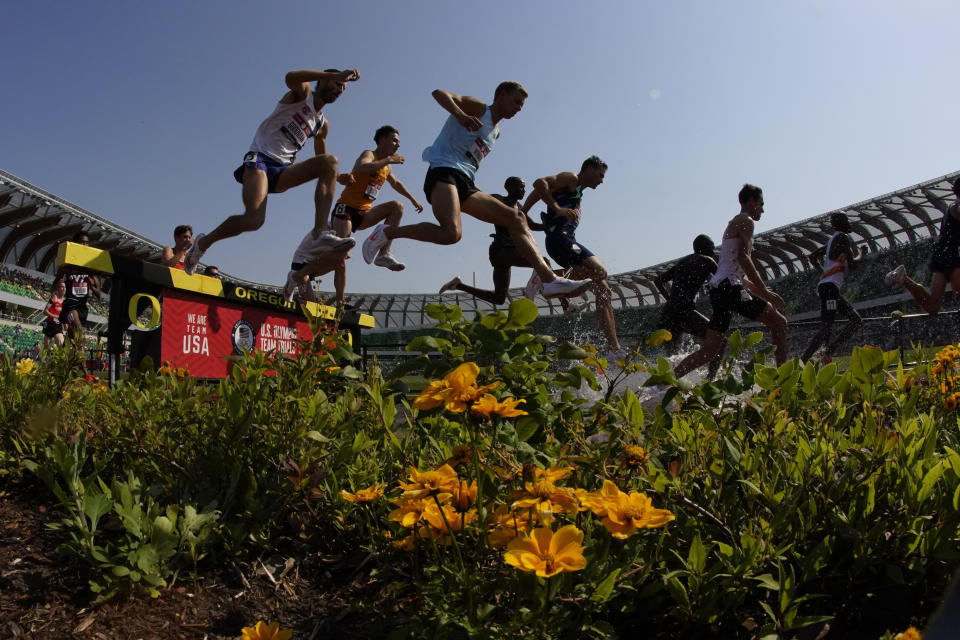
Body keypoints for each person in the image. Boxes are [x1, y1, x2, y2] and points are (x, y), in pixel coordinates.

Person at [361, 82, 590, 299]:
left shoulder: (496, 132)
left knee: (515, 217)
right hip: (442, 171)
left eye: (522, 105)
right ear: (501, 96)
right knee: (451, 232)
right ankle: (388, 233)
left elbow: (470, 161)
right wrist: (460, 115)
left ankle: (548, 279)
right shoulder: (480, 109)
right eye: (516, 101)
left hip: (466, 181)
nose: (519, 108)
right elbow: (439, 93)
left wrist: (479, 190)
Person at [184, 68, 360, 276]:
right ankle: (203, 243)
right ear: (322, 81)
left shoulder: (322, 124)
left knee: (331, 162)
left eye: (343, 88)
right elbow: (290, 77)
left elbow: (322, 158)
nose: (340, 89)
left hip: (283, 170)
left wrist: (338, 176)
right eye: (337, 84)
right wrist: (329, 75)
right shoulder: (302, 95)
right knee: (253, 220)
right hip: (261, 160)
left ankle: (320, 232)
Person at [286, 125, 423, 303]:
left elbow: (396, 183)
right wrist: (388, 159)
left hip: (363, 213)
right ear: (382, 140)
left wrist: (413, 199)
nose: (397, 145)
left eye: (399, 142)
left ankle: (383, 253)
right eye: (394, 140)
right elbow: (361, 166)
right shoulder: (370, 154)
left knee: (397, 207)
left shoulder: (386, 168)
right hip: (346, 210)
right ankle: (307, 281)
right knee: (339, 258)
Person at [673, 184, 788, 379]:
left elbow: (736, 272)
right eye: (761, 204)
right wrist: (766, 293)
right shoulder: (746, 221)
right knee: (780, 322)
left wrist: (762, 292)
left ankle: (664, 382)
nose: (763, 209)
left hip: (720, 289)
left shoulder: (733, 223)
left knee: (710, 350)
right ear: (751, 201)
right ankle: (783, 379)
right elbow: (744, 258)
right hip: (729, 287)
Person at [520, 156, 624, 355]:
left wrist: (525, 210)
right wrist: (555, 208)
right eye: (600, 175)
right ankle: (545, 277)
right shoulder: (571, 178)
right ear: (589, 169)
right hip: (562, 240)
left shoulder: (576, 193)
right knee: (600, 271)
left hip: (563, 240)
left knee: (604, 290)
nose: (602, 180)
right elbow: (539, 183)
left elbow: (540, 190)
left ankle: (614, 349)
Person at [437, 176, 548, 305]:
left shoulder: (519, 207)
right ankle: (561, 303)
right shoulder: (499, 200)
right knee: (543, 263)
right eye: (521, 186)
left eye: (524, 187)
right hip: (501, 250)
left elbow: (533, 225)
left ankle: (458, 285)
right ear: (509, 188)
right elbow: (479, 196)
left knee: (498, 298)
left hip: (511, 252)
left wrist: (550, 225)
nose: (524, 190)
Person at [885, 177, 960, 316]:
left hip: (942, 254)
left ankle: (904, 279)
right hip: (953, 255)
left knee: (932, 306)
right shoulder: (956, 207)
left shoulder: (952, 206)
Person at [654, 235, 724, 378]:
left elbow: (658, 280)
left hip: (669, 313)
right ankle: (710, 379)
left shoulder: (683, 261)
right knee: (720, 341)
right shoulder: (707, 260)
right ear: (709, 249)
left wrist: (669, 299)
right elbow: (724, 280)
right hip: (684, 312)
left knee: (671, 357)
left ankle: (663, 387)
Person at [801, 211, 864, 362]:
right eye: (846, 220)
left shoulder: (832, 241)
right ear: (842, 223)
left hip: (826, 287)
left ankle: (822, 354)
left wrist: (824, 272)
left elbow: (812, 257)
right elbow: (853, 265)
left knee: (828, 328)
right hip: (829, 288)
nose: (849, 223)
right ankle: (816, 355)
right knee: (854, 321)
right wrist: (862, 253)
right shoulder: (843, 238)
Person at [57, 232, 101, 346]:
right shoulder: (68, 265)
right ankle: (84, 364)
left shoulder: (91, 269)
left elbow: (99, 294)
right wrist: (59, 286)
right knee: (80, 335)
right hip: (70, 305)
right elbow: (56, 282)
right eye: (81, 242)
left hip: (83, 307)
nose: (84, 244)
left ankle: (64, 355)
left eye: (86, 243)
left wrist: (91, 285)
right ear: (75, 244)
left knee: (72, 337)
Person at [42, 278, 66, 349]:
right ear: (58, 288)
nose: (64, 288)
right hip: (49, 324)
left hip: (58, 325)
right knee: (47, 347)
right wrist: (55, 316)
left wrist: (65, 323)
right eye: (62, 287)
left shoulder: (65, 301)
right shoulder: (53, 298)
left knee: (61, 343)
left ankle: (60, 359)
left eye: (65, 287)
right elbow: (45, 311)